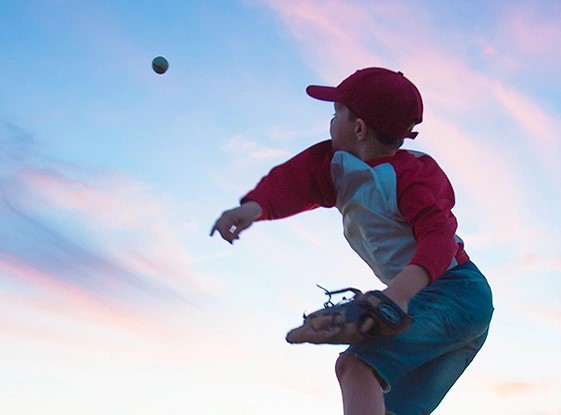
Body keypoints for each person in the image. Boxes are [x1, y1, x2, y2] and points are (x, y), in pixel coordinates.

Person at [210, 67, 494, 415]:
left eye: (336, 114)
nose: (330, 124)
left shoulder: (410, 176)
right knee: (386, 407)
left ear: (358, 128)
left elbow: (440, 239)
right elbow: (295, 181)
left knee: (355, 367)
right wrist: (254, 208)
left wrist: (397, 296)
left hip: (456, 294)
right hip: (445, 304)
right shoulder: (337, 167)